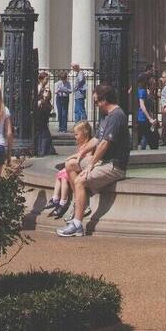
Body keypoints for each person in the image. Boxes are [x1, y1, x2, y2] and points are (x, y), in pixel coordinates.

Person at [58, 84, 130, 237]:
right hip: (103, 162)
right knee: (70, 165)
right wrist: (81, 153)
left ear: (104, 100)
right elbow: (97, 139)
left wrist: (91, 163)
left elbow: (105, 144)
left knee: (80, 181)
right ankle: (81, 204)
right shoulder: (106, 115)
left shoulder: (117, 116)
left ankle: (77, 225)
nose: (95, 105)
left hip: (114, 165)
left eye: (96, 101)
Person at [42, 121, 94, 219]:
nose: (75, 137)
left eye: (76, 134)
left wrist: (72, 158)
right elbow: (79, 156)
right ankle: (55, 198)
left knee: (65, 175)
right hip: (77, 167)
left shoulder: (89, 144)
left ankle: (63, 202)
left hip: (82, 169)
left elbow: (87, 158)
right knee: (60, 175)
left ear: (85, 133)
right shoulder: (80, 144)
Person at [33, 71, 57, 156]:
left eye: (48, 79)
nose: (47, 81)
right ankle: (44, 149)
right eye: (46, 79)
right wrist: (41, 100)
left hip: (44, 112)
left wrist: (47, 96)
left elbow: (48, 99)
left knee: (44, 130)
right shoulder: (38, 88)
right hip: (40, 112)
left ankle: (45, 149)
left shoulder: (46, 88)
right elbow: (35, 99)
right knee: (43, 131)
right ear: (41, 79)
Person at [136, 75, 158, 150]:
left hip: (143, 117)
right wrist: (150, 118)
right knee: (147, 134)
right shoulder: (142, 91)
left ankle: (143, 147)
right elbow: (142, 106)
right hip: (143, 117)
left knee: (145, 134)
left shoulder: (142, 90)